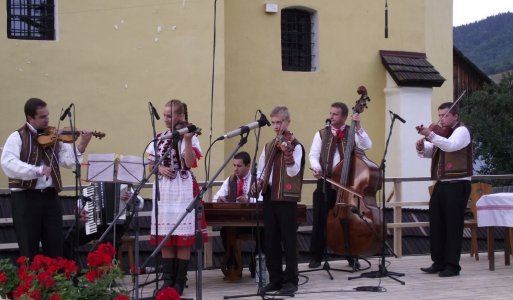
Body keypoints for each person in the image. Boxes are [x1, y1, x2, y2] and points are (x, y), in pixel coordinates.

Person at [1, 98, 93, 260]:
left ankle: (55, 283)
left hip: (50, 197)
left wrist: (82, 145)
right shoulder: (17, 137)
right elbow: (8, 164)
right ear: (30, 118)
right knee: (29, 246)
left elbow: (68, 160)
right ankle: (31, 283)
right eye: (42, 117)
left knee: (55, 244)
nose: (48, 119)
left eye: (48, 115)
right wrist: (36, 171)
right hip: (26, 198)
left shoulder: (53, 136)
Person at [145, 99, 203, 295]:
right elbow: (150, 163)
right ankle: (167, 280)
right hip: (164, 189)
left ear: (180, 116)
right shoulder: (159, 137)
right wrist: (159, 168)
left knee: (181, 236)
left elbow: (189, 163)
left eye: (170, 115)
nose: (165, 118)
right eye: (165, 114)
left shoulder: (191, 137)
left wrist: (187, 139)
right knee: (166, 235)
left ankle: (179, 281)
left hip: (182, 187)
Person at [308, 102, 372, 269]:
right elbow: (313, 155)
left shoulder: (353, 132)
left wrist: (358, 127)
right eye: (331, 113)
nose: (331, 116)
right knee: (319, 219)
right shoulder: (321, 133)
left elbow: (367, 145)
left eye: (335, 114)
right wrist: (317, 167)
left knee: (348, 219)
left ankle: (351, 255)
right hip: (326, 181)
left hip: (348, 184)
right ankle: (316, 256)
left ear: (344, 117)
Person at [416, 102, 472, 277]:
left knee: (453, 226)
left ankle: (452, 266)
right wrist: (421, 147)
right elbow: (432, 152)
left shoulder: (462, 131)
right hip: (442, 184)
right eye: (440, 115)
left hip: (457, 184)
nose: (442, 119)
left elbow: (450, 146)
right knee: (437, 224)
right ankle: (438, 262)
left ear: (455, 116)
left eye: (445, 115)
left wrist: (430, 135)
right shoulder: (443, 134)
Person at [253, 106, 305, 296]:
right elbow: (261, 169)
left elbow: (293, 172)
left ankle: (291, 280)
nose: (276, 126)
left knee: (288, 240)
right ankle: (275, 279)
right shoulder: (268, 146)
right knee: (271, 240)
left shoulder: (296, 145)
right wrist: (258, 184)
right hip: (269, 197)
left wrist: (288, 154)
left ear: (288, 122)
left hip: (286, 198)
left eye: (279, 122)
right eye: (273, 122)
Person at [213, 151, 263, 279]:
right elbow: (216, 197)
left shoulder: (257, 180)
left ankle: (255, 266)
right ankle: (233, 266)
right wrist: (220, 200)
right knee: (225, 232)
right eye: (234, 165)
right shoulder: (230, 180)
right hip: (235, 221)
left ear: (248, 166)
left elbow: (263, 201)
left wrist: (248, 201)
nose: (235, 169)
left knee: (263, 233)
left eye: (239, 166)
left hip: (254, 221)